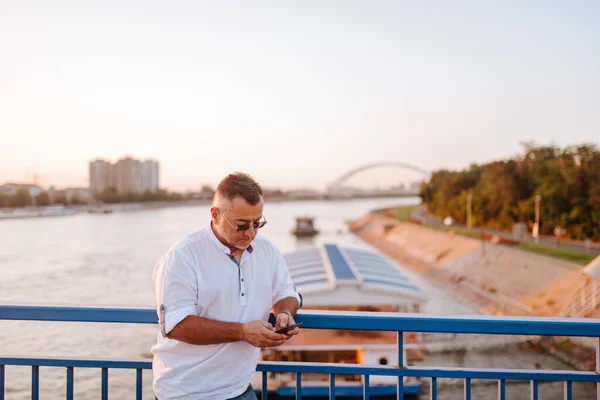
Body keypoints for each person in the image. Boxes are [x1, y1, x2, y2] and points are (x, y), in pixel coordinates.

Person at [151, 172, 302, 400]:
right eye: (241, 225)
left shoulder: (267, 250)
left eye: (257, 223)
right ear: (215, 214)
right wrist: (242, 332)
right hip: (185, 393)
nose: (251, 233)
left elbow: (285, 292)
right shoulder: (183, 256)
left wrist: (284, 314)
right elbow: (176, 325)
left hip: (241, 388)